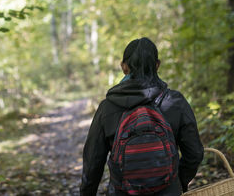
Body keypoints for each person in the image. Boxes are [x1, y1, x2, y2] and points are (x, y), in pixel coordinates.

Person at [80, 37, 204, 196]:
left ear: (124, 67)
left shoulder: (107, 107)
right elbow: (194, 154)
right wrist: (177, 182)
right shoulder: (175, 102)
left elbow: (92, 163)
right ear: (157, 65)